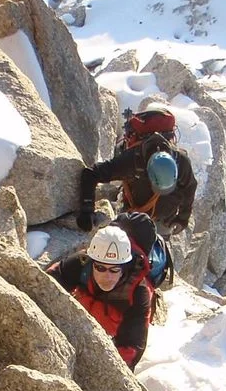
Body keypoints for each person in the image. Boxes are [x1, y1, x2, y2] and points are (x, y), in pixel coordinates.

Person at [47, 225, 153, 367]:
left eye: (114, 270)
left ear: (124, 269)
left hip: (114, 334)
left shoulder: (138, 292)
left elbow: (132, 346)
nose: (107, 276)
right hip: (85, 321)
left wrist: (105, 371)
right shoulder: (81, 263)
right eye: (101, 268)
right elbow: (45, 284)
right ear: (92, 263)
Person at [77, 110, 196, 234]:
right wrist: (87, 209)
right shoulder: (132, 161)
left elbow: (190, 187)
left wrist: (183, 219)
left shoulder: (181, 162)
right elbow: (91, 174)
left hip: (157, 221)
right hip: (134, 219)